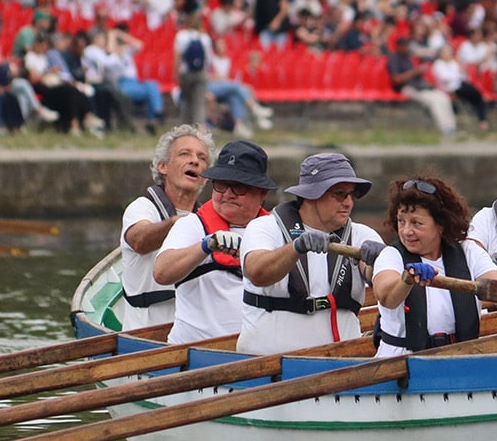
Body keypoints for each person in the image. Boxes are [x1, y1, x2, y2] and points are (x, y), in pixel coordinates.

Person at [371, 175, 497, 357]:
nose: (407, 231)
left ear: (440, 225)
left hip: (460, 358)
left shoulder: (468, 251)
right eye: (401, 221)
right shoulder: (391, 255)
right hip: (401, 363)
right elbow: (387, 297)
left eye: (416, 223)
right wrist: (406, 280)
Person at [237, 153, 383, 353]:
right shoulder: (265, 227)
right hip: (268, 365)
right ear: (310, 194)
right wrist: (297, 248)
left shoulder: (362, 235)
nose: (348, 203)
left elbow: (380, 281)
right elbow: (257, 273)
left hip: (342, 365)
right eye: (339, 194)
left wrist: (380, 263)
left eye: (351, 195)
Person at [152, 139, 275, 345]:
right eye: (221, 185)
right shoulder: (192, 225)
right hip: (193, 352)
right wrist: (205, 246)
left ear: (262, 193)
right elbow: (161, 273)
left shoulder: (275, 231)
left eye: (238, 187)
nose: (227, 194)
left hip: (253, 352)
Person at [119, 126, 216, 331]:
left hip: (192, 332)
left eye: (202, 158)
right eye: (184, 154)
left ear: (206, 177)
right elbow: (140, 241)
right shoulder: (142, 207)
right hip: (144, 333)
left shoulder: (209, 217)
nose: (195, 161)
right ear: (163, 167)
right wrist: (176, 224)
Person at [386, 35, 457, 138]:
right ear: (398, 46)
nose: (406, 48)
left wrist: (418, 72)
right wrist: (414, 72)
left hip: (420, 87)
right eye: (404, 45)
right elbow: (396, 80)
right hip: (406, 88)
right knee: (434, 101)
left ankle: (452, 128)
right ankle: (444, 129)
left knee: (443, 97)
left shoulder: (408, 58)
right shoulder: (393, 59)